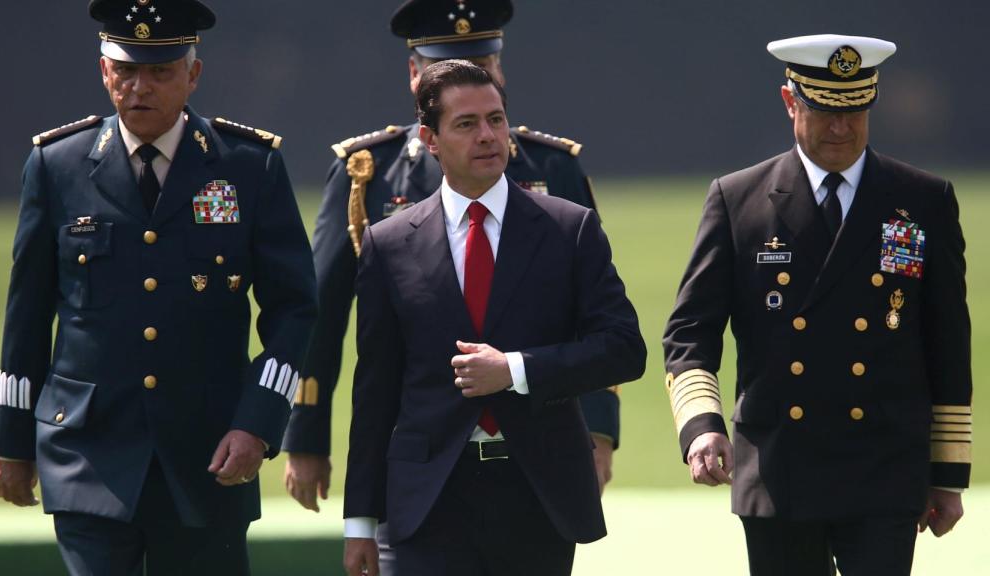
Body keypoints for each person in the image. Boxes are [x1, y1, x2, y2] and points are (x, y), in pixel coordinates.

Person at [0, 1, 317, 573]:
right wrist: (13, 443)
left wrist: (258, 424)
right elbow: (27, 314)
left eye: (161, 72)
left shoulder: (247, 167)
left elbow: (294, 311)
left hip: (208, 454)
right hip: (85, 453)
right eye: (126, 70)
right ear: (104, 72)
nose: (141, 87)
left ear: (193, 75)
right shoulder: (56, 166)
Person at [282, 0, 621, 529]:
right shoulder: (366, 174)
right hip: (420, 458)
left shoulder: (554, 169)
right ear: (415, 76)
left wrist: (597, 431)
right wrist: (306, 432)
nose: (471, 79)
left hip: (534, 451)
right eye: (448, 67)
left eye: (484, 67)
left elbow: (594, 321)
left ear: (501, 72)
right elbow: (325, 315)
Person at [662, 34, 971, 575]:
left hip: (884, 469)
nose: (840, 128)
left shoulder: (924, 200)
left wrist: (946, 474)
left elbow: (947, 342)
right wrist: (701, 425)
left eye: (855, 111)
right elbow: (690, 332)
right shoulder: (738, 200)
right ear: (789, 103)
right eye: (824, 110)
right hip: (780, 469)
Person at [342, 60, 645, 576]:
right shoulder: (388, 243)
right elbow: (375, 389)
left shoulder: (569, 229)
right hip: (424, 500)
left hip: (536, 495)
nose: (488, 136)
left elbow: (623, 348)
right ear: (429, 139)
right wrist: (359, 523)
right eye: (466, 124)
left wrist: (516, 369)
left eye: (496, 120)